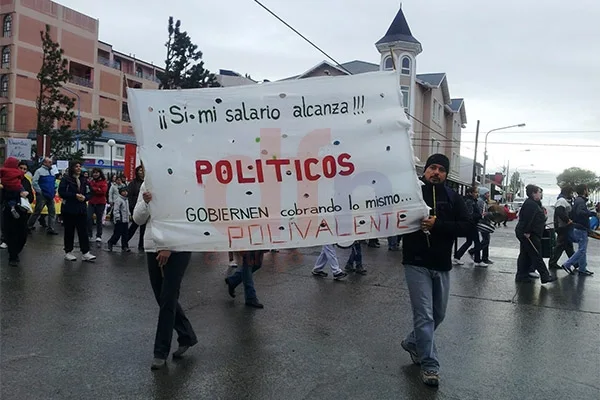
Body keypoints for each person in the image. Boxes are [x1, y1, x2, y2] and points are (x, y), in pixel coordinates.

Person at [400, 154, 471, 387]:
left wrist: (437, 224)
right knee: (425, 315)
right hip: (415, 262)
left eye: (441, 169)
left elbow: (467, 227)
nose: (436, 172)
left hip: (441, 265)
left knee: (438, 314)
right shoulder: (411, 193)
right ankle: (430, 365)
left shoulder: (453, 198)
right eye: (432, 167)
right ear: (425, 170)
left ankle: (413, 342)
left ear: (446, 174)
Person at [133, 182, 197, 370]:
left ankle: (160, 352)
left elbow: (187, 218)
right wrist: (145, 202)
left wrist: (169, 245)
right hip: (153, 247)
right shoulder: (148, 184)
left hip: (179, 248)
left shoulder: (183, 181)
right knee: (160, 296)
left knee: (168, 298)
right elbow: (137, 219)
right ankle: (187, 335)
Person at [514, 184, 556, 283]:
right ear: (533, 193)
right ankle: (545, 276)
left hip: (531, 233)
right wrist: (527, 232)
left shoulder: (534, 203)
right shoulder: (530, 204)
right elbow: (527, 220)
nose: (541, 194)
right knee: (536, 254)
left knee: (525, 255)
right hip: (529, 234)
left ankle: (521, 275)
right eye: (539, 192)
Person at [58, 161, 96, 262]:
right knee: (69, 231)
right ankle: (68, 251)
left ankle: (85, 252)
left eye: (80, 166)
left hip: (81, 209)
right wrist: (74, 196)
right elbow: (61, 192)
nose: (79, 168)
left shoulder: (84, 180)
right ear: (72, 168)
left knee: (83, 231)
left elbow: (90, 192)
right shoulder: (66, 179)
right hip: (69, 208)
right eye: (76, 166)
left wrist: (85, 198)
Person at [1, 161, 33, 266]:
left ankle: (16, 252)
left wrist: (26, 195)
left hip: (22, 211)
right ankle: (13, 256)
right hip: (9, 211)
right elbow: (3, 196)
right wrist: (17, 194)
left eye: (25, 169)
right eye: (21, 168)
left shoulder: (26, 181)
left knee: (22, 236)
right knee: (11, 234)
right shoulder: (5, 180)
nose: (23, 171)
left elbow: (31, 197)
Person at [560, 184, 595, 276]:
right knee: (582, 250)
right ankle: (567, 264)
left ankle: (582, 269)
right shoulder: (580, 201)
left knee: (582, 249)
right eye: (587, 190)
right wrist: (592, 213)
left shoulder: (578, 201)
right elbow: (580, 212)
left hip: (579, 227)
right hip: (581, 228)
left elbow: (573, 213)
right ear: (584, 191)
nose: (588, 192)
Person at [453, 186, 485, 267]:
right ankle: (477, 260)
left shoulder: (472, 201)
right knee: (477, 242)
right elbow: (470, 214)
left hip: (471, 224)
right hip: (471, 225)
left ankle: (457, 257)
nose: (477, 194)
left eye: (477, 192)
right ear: (470, 193)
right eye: (475, 192)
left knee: (469, 242)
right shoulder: (470, 201)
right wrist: (480, 215)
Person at [28, 157, 58, 235]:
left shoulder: (52, 171)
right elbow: (34, 182)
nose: (51, 163)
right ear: (44, 163)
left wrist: (54, 189)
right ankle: (28, 226)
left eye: (51, 162)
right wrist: (40, 191)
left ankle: (51, 228)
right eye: (49, 162)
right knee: (37, 211)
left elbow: (54, 182)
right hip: (42, 195)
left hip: (50, 195)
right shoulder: (39, 171)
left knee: (52, 212)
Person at [548, 186, 576, 270]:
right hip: (563, 226)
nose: (572, 195)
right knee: (560, 245)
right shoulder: (561, 201)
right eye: (571, 193)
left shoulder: (564, 201)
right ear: (567, 192)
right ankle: (552, 263)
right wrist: (567, 220)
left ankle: (575, 263)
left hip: (564, 226)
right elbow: (559, 212)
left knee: (568, 246)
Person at [128, 166, 146, 251]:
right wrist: (132, 207)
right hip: (135, 206)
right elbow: (130, 196)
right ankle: (125, 240)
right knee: (133, 227)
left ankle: (141, 245)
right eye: (140, 170)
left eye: (143, 170)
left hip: (144, 207)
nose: (141, 172)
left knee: (143, 228)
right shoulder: (133, 183)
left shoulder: (147, 182)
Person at [107, 186, 130, 252]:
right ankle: (111, 242)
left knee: (125, 234)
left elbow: (127, 210)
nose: (125, 193)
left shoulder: (126, 200)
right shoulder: (118, 200)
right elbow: (116, 210)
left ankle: (125, 246)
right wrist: (117, 218)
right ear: (120, 192)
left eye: (126, 191)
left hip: (125, 220)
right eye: (123, 191)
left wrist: (129, 215)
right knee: (117, 234)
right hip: (119, 220)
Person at [87, 168, 108, 241]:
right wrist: (97, 189)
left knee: (99, 220)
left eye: (97, 172)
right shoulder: (90, 181)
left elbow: (103, 192)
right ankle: (89, 234)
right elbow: (89, 190)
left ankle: (99, 235)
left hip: (100, 203)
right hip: (91, 202)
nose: (95, 174)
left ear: (100, 173)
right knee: (88, 218)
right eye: (94, 173)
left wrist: (94, 189)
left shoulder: (103, 182)